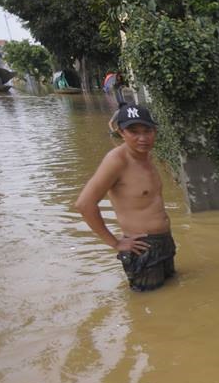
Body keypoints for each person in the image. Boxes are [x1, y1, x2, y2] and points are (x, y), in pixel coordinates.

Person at [75, 103, 176, 291]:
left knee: (171, 296)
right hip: (141, 247)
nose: (142, 138)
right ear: (121, 132)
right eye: (134, 132)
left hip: (164, 242)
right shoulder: (116, 161)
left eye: (147, 131)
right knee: (150, 305)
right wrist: (115, 243)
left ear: (155, 131)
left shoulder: (148, 156)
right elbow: (84, 204)